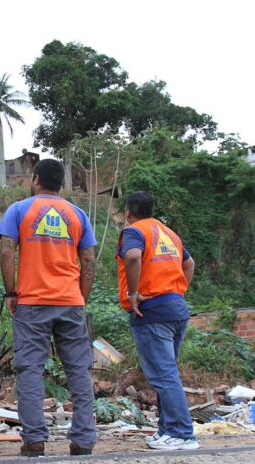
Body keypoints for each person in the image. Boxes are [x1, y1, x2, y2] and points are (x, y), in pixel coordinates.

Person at [0, 159, 97, 457]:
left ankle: (35, 440)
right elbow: (89, 260)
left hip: (32, 303)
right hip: (70, 303)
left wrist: (11, 292)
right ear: (61, 183)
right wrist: (80, 298)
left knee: (30, 370)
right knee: (79, 370)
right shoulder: (77, 214)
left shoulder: (19, 209)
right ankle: (83, 441)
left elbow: (6, 250)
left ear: (36, 179)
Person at [116, 191, 199, 451]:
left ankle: (182, 434)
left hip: (151, 310)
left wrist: (133, 293)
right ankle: (167, 430)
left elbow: (132, 256)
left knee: (163, 374)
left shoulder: (134, 231)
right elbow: (190, 263)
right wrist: (176, 290)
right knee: (168, 373)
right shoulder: (168, 234)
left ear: (128, 211)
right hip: (175, 308)